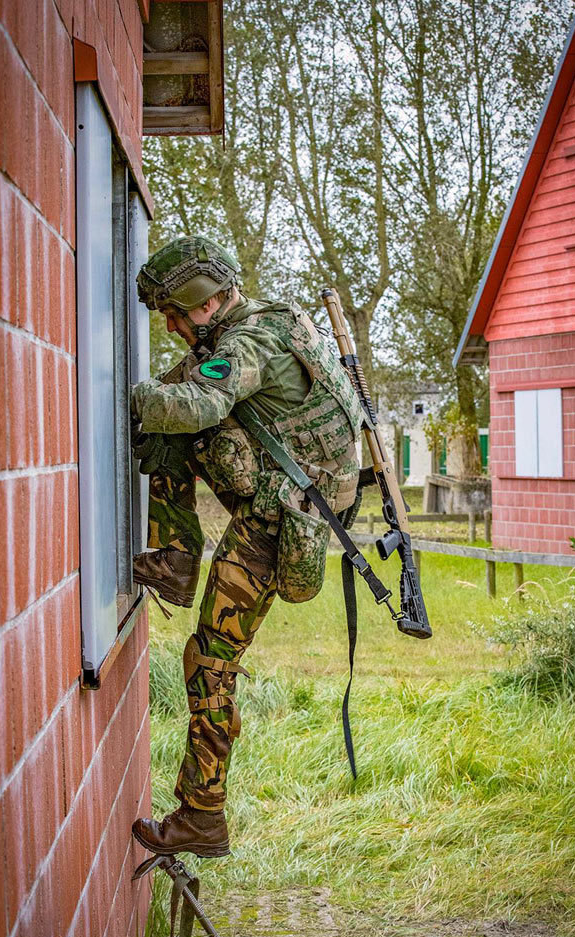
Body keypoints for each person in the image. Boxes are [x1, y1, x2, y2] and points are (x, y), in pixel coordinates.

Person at [130, 235, 363, 858]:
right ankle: (178, 558)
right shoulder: (266, 322)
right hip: (290, 500)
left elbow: (199, 398)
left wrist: (117, 395)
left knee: (209, 659)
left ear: (207, 300)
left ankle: (201, 815)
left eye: (177, 313)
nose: (174, 326)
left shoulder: (248, 342)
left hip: (279, 524)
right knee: (170, 413)